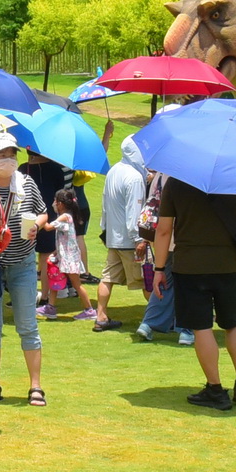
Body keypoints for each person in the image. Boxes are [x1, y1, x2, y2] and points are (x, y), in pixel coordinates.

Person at [154, 169, 236, 409]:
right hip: (228, 263)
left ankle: (215, 388)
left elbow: (163, 230)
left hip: (190, 264)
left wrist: (159, 268)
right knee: (233, 322)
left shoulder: (177, 181)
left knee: (201, 327)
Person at [0, 132, 46, 407]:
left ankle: (36, 387)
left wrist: (36, 226)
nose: (9, 160)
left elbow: (42, 211)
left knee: (28, 326)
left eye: (12, 154)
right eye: (2, 155)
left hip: (23, 262)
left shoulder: (26, 183)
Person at [90, 135, 147, 332]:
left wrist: (105, 229)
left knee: (108, 278)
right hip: (130, 240)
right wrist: (139, 238)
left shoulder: (114, 170)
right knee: (146, 280)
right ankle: (155, 320)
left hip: (113, 237)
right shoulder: (135, 178)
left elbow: (105, 203)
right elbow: (135, 212)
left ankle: (101, 316)